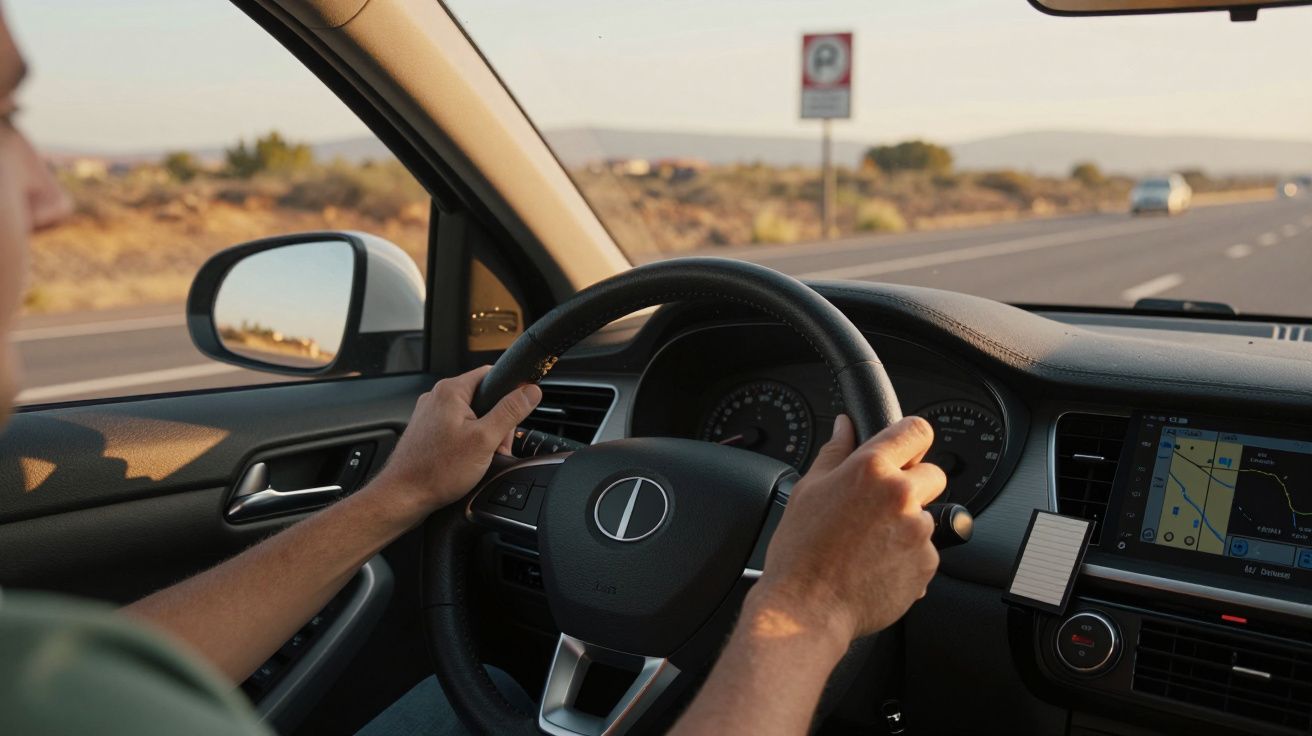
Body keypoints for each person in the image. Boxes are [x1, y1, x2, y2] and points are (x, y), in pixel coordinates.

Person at [0, 5, 943, 734]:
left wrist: (400, 494)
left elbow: (112, 670)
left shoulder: (46, 679)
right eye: (5, 115)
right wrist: (808, 601)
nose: (51, 195)